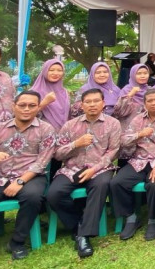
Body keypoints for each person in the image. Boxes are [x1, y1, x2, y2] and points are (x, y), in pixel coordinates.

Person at [0, 91, 55, 269]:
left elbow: (42, 162)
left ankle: (17, 242)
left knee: (32, 197)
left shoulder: (46, 129)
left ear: (38, 107)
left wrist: (20, 182)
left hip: (31, 177)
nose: (27, 109)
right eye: (22, 105)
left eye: (32, 106)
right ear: (14, 106)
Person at [46, 88, 121, 258]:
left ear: (103, 103)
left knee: (101, 185)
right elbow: (57, 153)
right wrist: (76, 144)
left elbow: (113, 151)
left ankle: (84, 236)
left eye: (96, 101)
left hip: (100, 168)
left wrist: (94, 169)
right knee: (54, 194)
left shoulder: (112, 124)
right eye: (88, 102)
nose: (92, 105)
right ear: (81, 105)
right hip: (72, 167)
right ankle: (79, 224)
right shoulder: (70, 125)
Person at [110, 89, 155, 241]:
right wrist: (139, 135)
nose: (153, 103)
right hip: (139, 160)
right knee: (117, 182)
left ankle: (152, 219)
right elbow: (124, 140)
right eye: (150, 101)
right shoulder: (138, 120)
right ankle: (131, 217)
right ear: (145, 103)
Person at [29, 59, 71, 131]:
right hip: (40, 132)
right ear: (45, 71)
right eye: (51, 70)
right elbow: (26, 114)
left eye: (59, 70)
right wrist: (45, 102)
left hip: (63, 133)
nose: (55, 73)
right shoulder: (33, 92)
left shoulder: (64, 92)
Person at [113, 63, 151, 130]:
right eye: (139, 74)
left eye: (145, 73)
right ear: (133, 75)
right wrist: (130, 95)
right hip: (129, 128)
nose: (143, 76)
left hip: (147, 127)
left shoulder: (150, 90)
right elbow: (119, 111)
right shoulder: (126, 90)